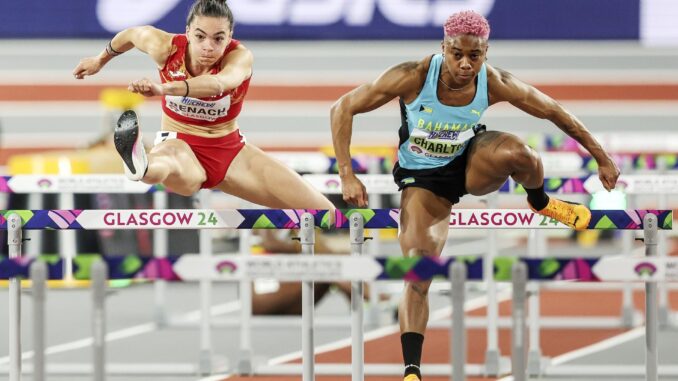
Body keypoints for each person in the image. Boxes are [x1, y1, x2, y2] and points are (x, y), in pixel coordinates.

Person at [330, 10, 619, 381]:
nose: (465, 64)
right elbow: (343, 108)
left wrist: (602, 157)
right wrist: (347, 175)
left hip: (471, 164)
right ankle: (412, 370)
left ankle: (541, 202)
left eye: (475, 56)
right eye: (457, 55)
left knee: (522, 154)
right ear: (443, 48)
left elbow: (552, 111)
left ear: (486, 52)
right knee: (419, 271)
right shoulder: (413, 76)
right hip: (423, 179)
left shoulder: (493, 81)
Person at [72, 0, 333, 215]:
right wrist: (100, 59)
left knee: (326, 214)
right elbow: (130, 35)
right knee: (168, 165)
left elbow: (219, 83)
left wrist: (165, 89)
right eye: (200, 36)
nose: (208, 46)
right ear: (187, 32)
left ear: (229, 37)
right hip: (180, 142)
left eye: (218, 38)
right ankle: (141, 163)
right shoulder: (165, 47)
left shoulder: (240, 58)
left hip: (231, 151)